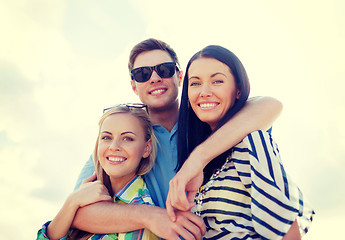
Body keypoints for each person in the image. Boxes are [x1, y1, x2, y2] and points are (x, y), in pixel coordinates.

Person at [71, 39, 283, 240]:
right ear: (134, 86)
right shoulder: (125, 142)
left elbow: (269, 105)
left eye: (164, 69)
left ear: (180, 77)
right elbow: (79, 214)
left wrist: (197, 159)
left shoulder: (211, 120)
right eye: (143, 74)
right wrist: (151, 216)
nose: (154, 78)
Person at [167, 45, 315, 239]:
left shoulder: (252, 142)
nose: (204, 91)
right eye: (195, 83)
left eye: (217, 81)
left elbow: (287, 232)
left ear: (238, 90)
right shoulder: (195, 153)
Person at [37, 105, 160, 240]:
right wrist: (72, 201)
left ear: (146, 148)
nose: (114, 147)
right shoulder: (84, 196)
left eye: (127, 138)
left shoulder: (144, 218)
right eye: (106, 137)